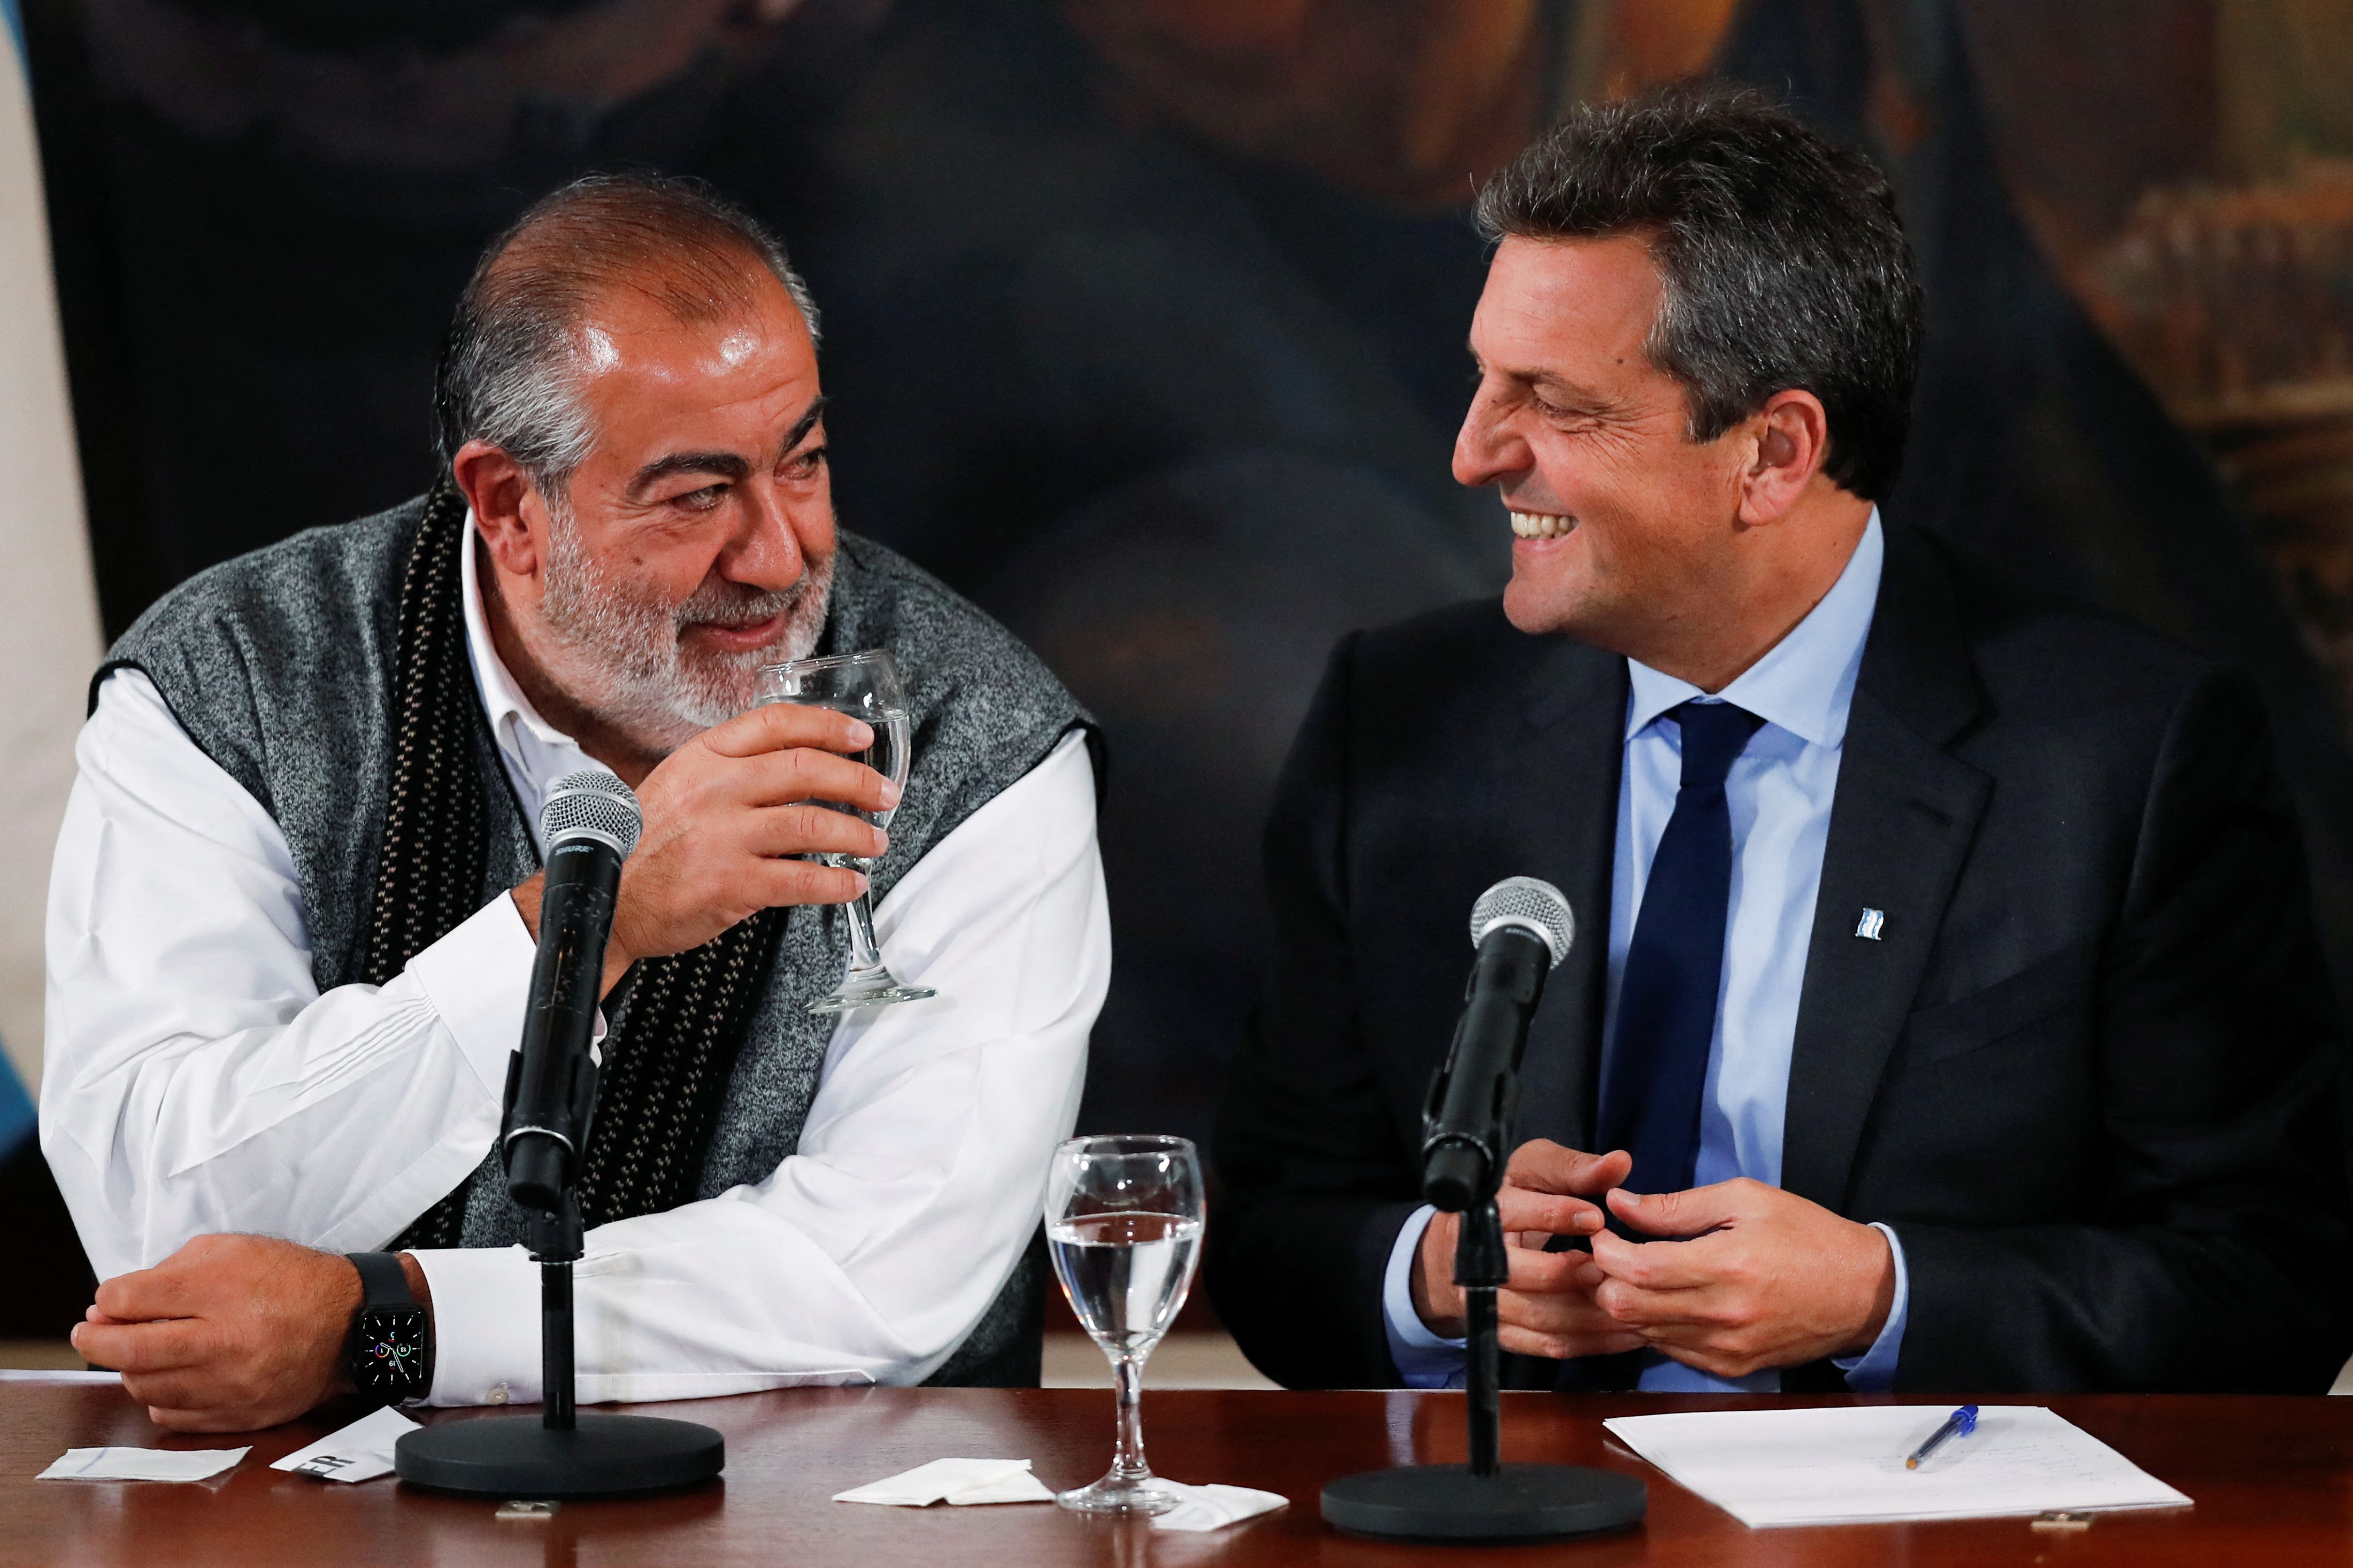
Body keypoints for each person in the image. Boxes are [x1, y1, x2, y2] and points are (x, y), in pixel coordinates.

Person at [1205, 88, 2352, 1395]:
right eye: (1483, 380)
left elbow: (2270, 1286)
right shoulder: (1400, 721)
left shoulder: (2125, 759)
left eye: (1556, 405)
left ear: (1773, 452)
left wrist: (1881, 1296)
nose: (1475, 452)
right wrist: (1433, 1272)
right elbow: (1271, 1236)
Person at [43, 174, 1108, 1432]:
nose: (780, 555)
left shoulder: (973, 736)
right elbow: (161, 1215)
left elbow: (885, 1276)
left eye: (804, 461)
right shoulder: (230, 680)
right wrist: (587, 925)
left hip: (818, 1527)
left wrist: (383, 1331)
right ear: (508, 506)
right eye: (697, 493)